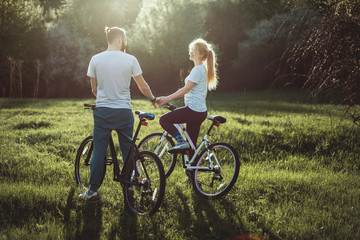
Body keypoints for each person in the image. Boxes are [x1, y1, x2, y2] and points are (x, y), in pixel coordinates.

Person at [79, 27, 157, 202]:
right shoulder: (130, 59)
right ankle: (129, 185)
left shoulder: (95, 59)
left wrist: (105, 100)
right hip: (124, 112)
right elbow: (142, 86)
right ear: (120, 39)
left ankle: (92, 192)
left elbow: (94, 89)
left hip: (103, 112)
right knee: (127, 149)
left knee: (99, 150)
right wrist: (153, 98)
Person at [156, 38, 218, 155]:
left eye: (193, 50)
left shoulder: (198, 70)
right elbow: (190, 90)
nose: (190, 52)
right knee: (191, 147)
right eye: (191, 49)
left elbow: (186, 89)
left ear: (201, 54)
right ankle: (192, 171)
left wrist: (167, 98)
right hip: (199, 111)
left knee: (163, 120)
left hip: (193, 110)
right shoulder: (201, 69)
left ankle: (180, 141)